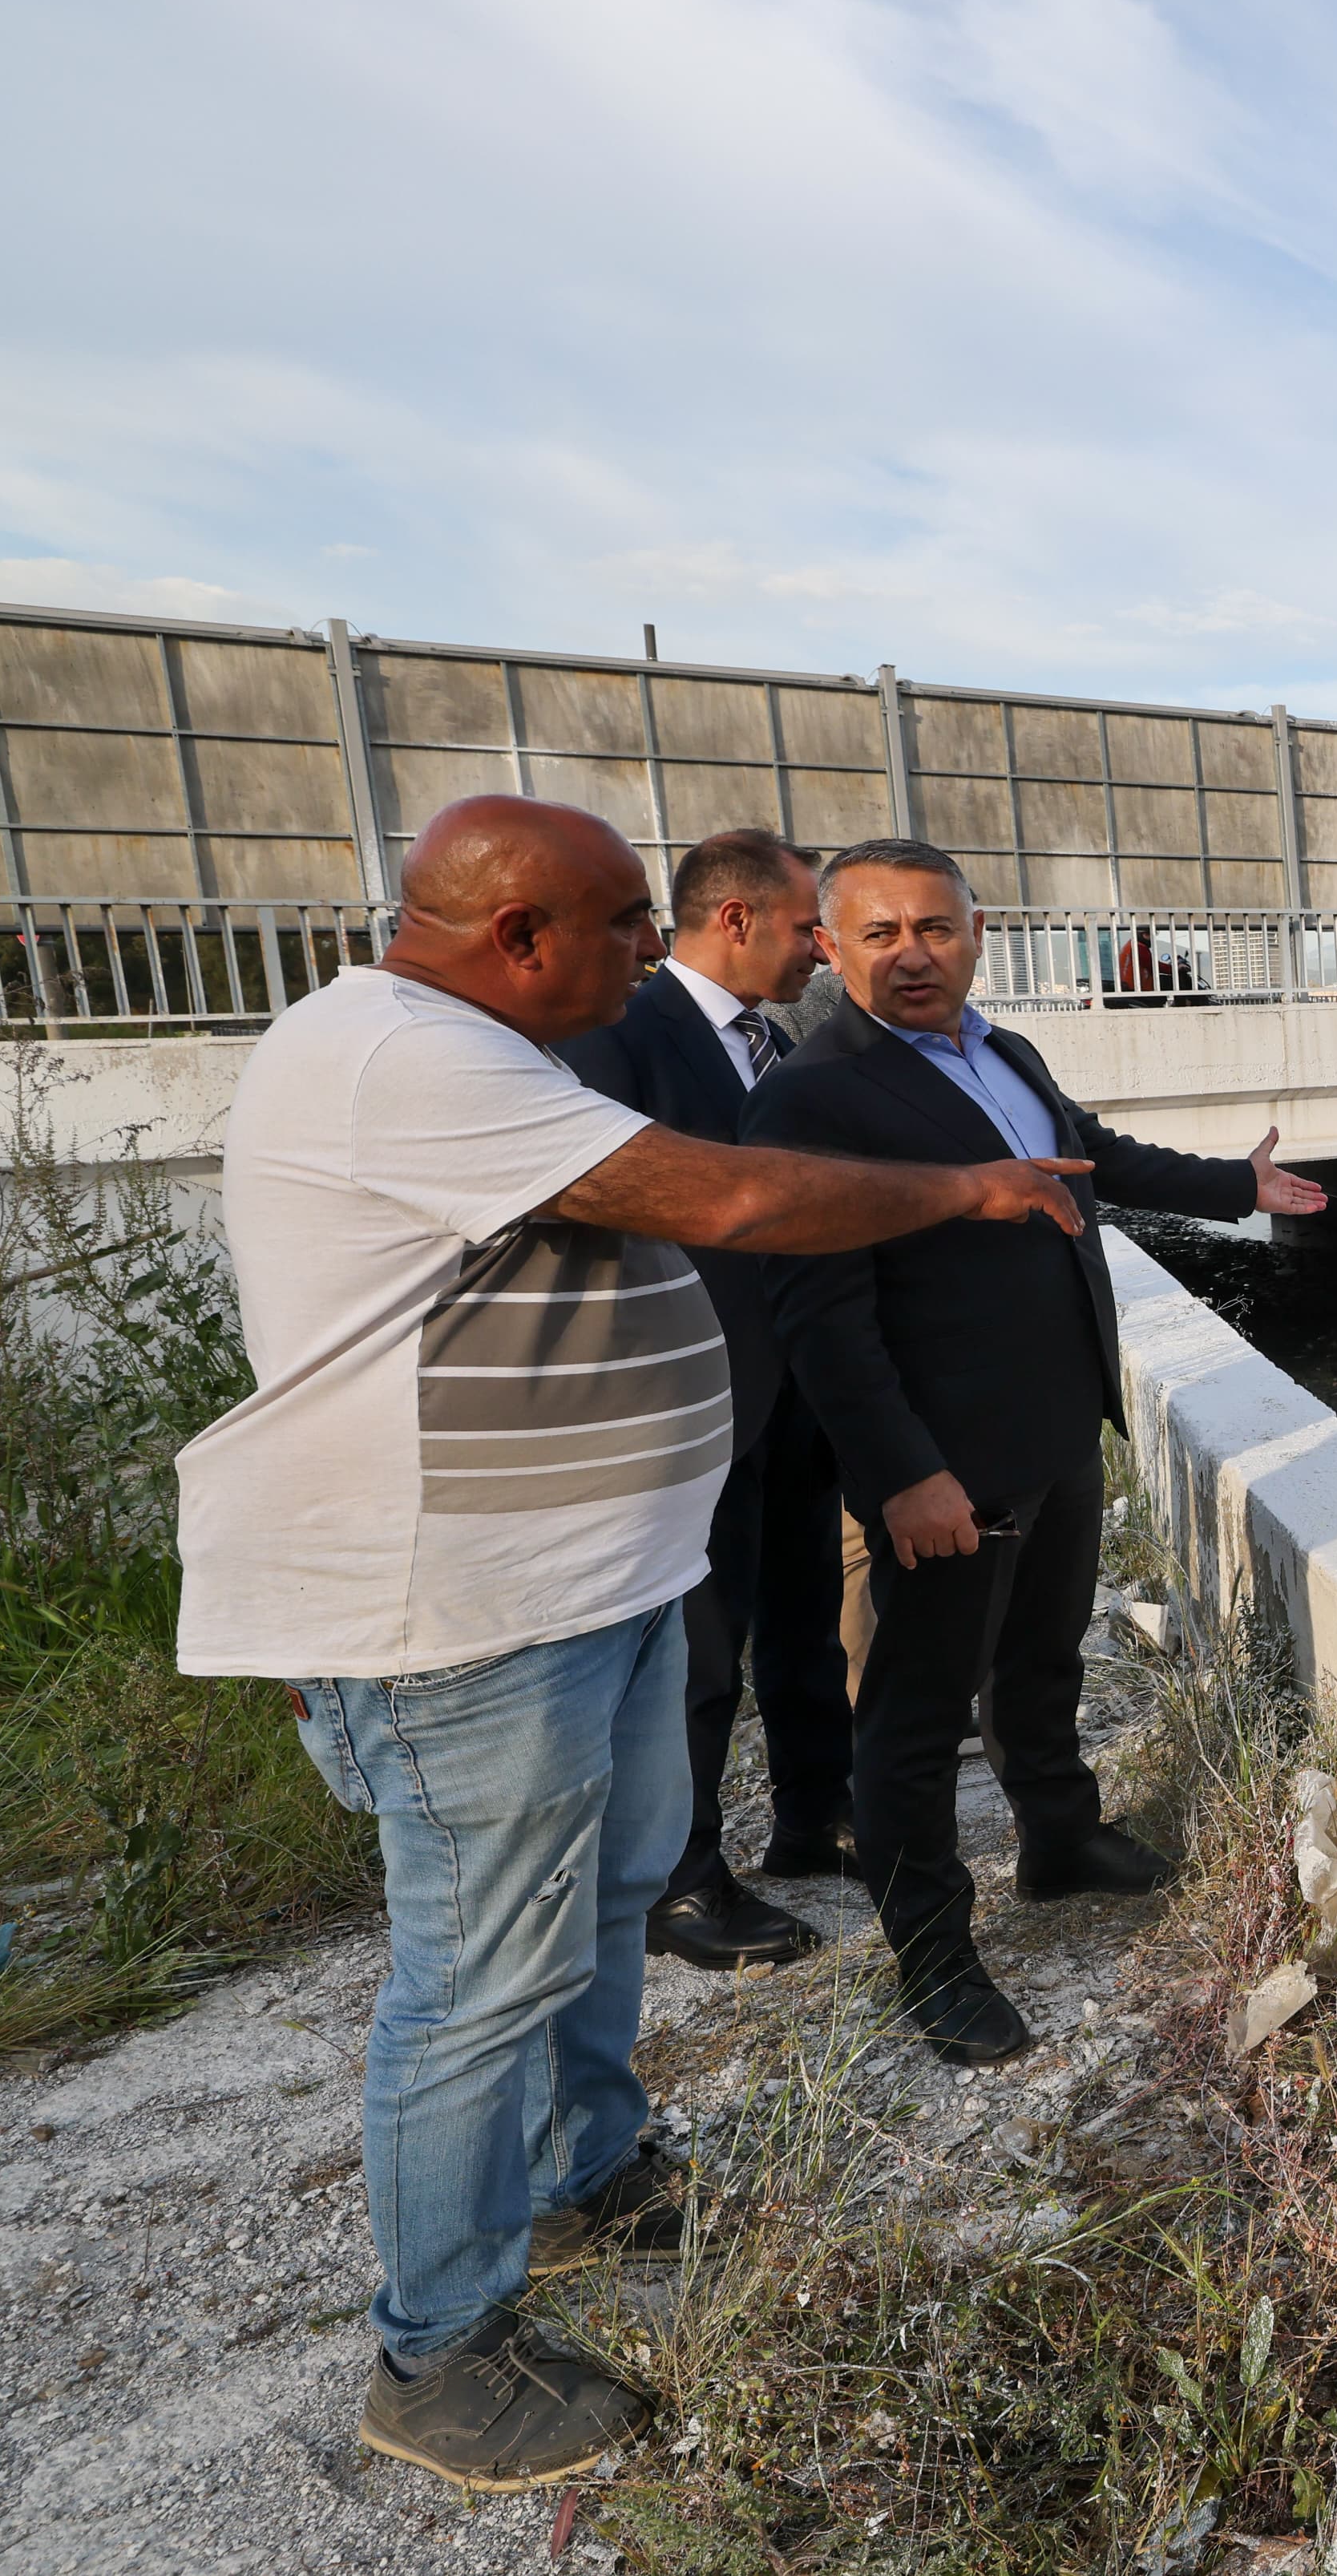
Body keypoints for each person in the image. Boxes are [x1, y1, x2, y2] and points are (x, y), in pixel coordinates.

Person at [176, 796, 1092, 2491]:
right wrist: (963, 1184)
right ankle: (439, 2346)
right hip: (459, 1611)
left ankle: (591, 2167)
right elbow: (728, 1197)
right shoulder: (396, 1052)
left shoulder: (483, 1047)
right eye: (614, 924)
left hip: (584, 1584)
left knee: (605, 1901)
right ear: (521, 932)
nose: (640, 950)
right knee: (474, 1979)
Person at [748, 839, 1327, 2066]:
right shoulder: (814, 1096)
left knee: (1040, 1659)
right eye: (882, 934)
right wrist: (901, 1472)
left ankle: (1058, 1842)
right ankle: (936, 1953)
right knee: (913, 1713)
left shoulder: (1003, 1052)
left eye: (936, 929)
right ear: (832, 947)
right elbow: (818, 1311)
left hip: (1056, 1427)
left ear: (975, 932)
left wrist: (1240, 1184)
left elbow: (1093, 1157)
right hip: (942, 1459)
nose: (914, 955)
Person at [557, 827, 848, 1970]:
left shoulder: (775, 1045)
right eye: (804, 924)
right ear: (735, 919)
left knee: (801, 1615)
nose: (819, 948)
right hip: (686, 1400)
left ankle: (817, 1814)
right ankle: (681, 1882)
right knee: (699, 1655)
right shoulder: (616, 1041)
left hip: (791, 1387)